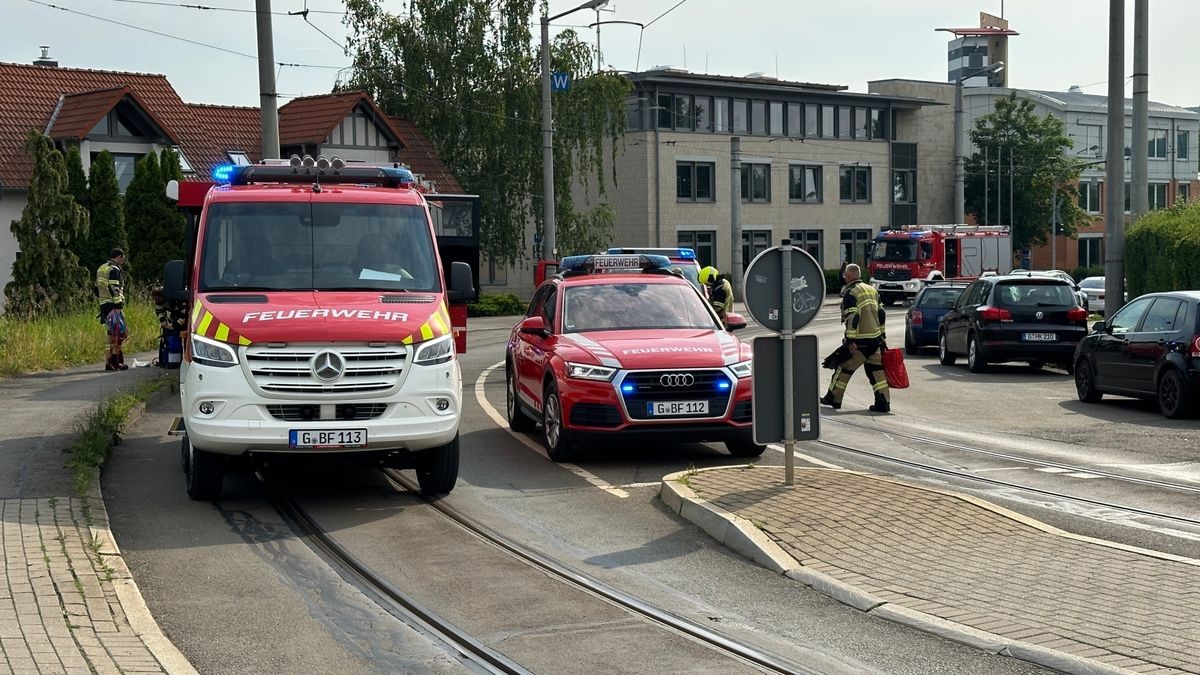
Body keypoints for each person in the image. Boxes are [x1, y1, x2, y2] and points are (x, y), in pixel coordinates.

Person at [820, 263, 890, 413]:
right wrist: (882, 336)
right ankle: (883, 402)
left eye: (845, 274)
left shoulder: (851, 293)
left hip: (860, 342)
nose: (843, 277)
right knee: (876, 371)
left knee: (843, 367)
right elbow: (881, 313)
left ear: (850, 275)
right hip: (876, 340)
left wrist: (851, 340)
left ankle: (833, 398)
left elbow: (853, 317)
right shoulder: (871, 290)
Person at [96, 248, 128, 371]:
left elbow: (97, 287)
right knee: (117, 334)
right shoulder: (114, 270)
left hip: (103, 303)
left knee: (110, 335)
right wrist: (118, 306)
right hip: (113, 306)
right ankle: (116, 362)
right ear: (119, 257)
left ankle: (108, 362)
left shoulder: (102, 268)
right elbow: (114, 288)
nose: (122, 262)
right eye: (122, 259)